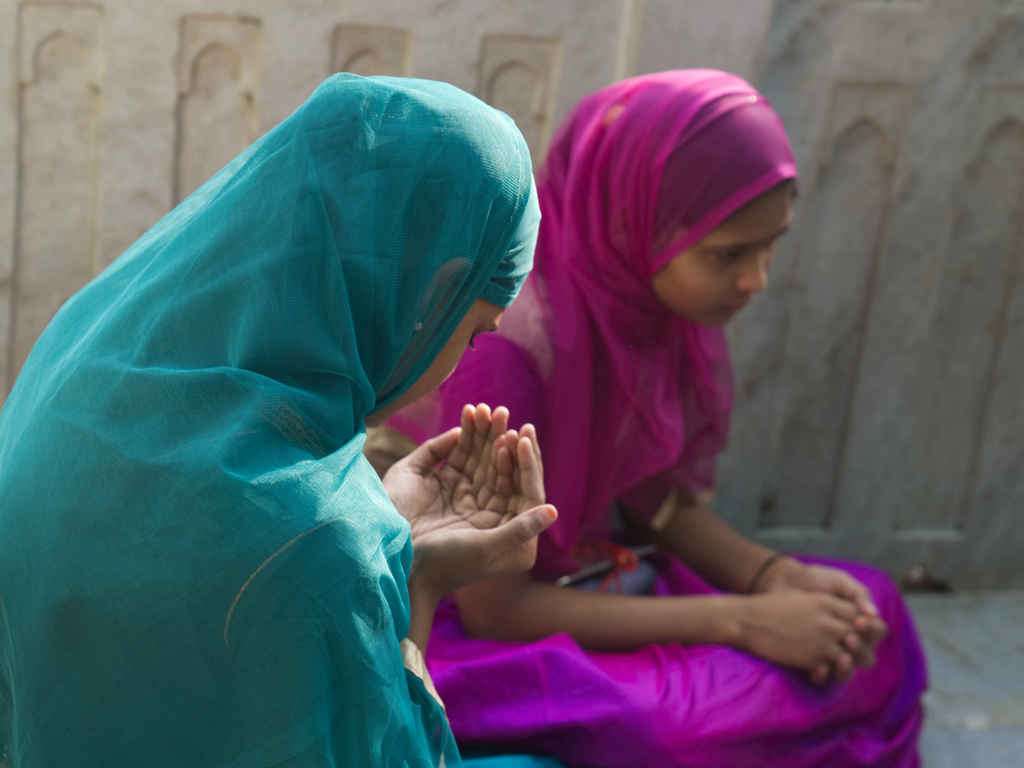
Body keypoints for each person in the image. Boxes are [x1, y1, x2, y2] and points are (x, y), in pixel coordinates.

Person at [0, 74, 558, 767]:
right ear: (430, 291)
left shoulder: (81, 356)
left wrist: (384, 534)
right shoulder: (315, 543)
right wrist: (411, 587)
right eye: (470, 331)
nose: (457, 364)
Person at [376, 70, 927, 767]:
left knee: (870, 612)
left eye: (771, 245)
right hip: (488, 629)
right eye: (727, 254)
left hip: (603, 581)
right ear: (633, 215)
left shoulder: (642, 301)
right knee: (677, 733)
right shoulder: (510, 347)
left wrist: (771, 576)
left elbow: (652, 498)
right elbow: (495, 608)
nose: (756, 279)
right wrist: (744, 621)